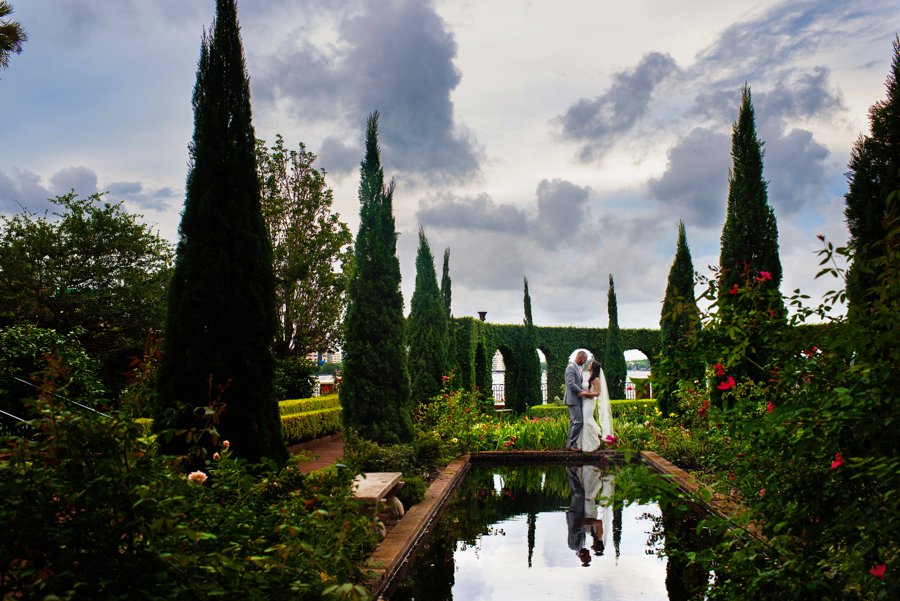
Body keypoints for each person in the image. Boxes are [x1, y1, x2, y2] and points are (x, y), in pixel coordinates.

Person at [580, 361, 613, 451]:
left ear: (593, 367)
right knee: (586, 421)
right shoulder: (589, 377)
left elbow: (597, 393)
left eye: (590, 364)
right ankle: (588, 441)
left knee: (587, 421)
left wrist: (586, 394)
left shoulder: (596, 379)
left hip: (589, 403)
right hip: (584, 402)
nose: (589, 364)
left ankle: (594, 442)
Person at [564, 350, 593, 451]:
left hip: (576, 399)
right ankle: (571, 445)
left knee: (574, 422)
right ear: (579, 357)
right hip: (572, 400)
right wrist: (582, 392)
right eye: (584, 359)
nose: (585, 362)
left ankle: (570, 444)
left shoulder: (576, 367)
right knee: (579, 421)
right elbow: (571, 383)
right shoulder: (571, 367)